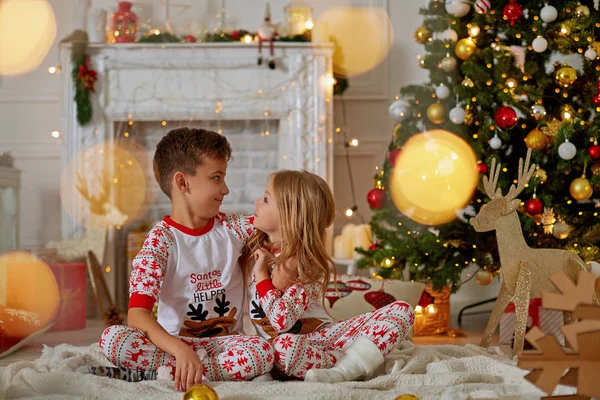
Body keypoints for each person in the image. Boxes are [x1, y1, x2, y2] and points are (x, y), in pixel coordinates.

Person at [97, 128, 273, 392]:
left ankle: (166, 374)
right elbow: (137, 314)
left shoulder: (233, 228)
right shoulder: (160, 241)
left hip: (224, 344)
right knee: (113, 339)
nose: (225, 189)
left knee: (261, 352)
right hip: (171, 343)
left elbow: (280, 225)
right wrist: (180, 349)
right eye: (216, 178)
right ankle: (190, 368)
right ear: (182, 183)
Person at [242, 170, 415, 382]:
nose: (256, 201)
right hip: (284, 351)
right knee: (282, 348)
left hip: (324, 338)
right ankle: (341, 360)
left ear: (289, 216)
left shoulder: (309, 265)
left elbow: (281, 320)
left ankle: (343, 371)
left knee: (402, 310)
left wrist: (261, 274)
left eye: (266, 199)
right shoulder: (252, 247)